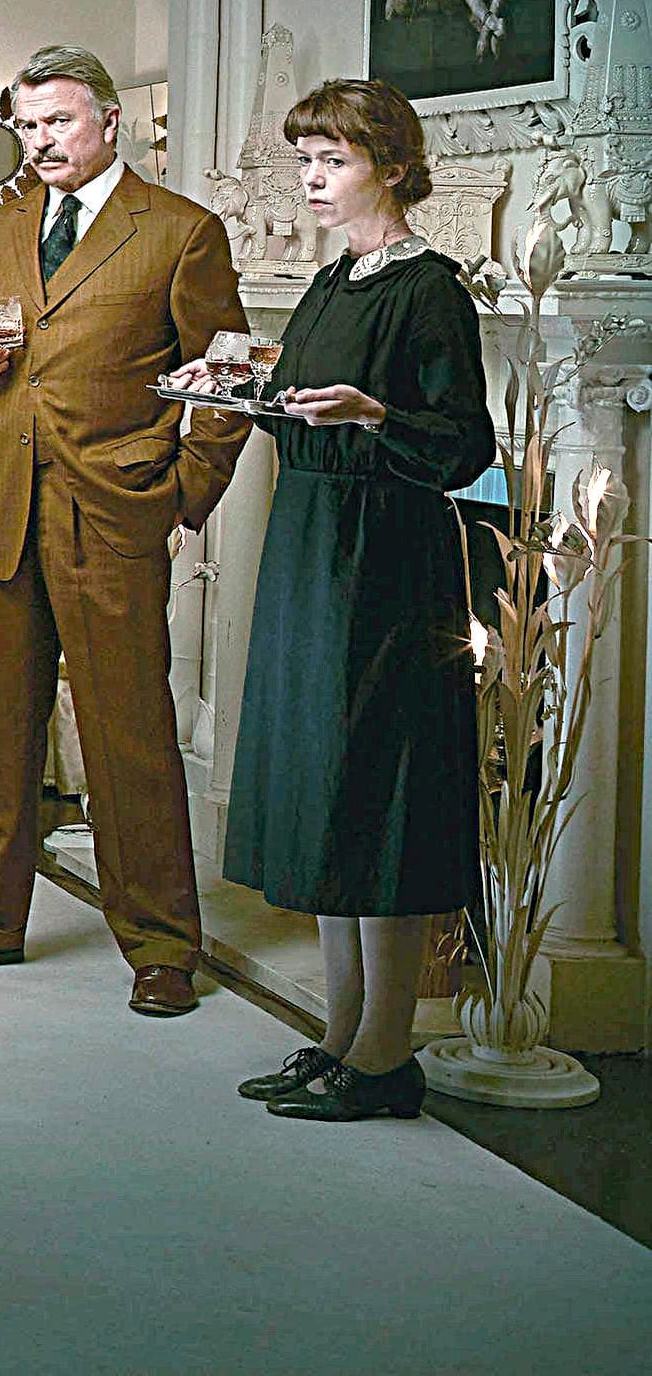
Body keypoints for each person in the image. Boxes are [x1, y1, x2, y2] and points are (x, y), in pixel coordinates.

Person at [0, 44, 248, 1018]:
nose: (40, 140)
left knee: (128, 736)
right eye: (27, 124)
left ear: (107, 121)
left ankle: (161, 945)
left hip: (114, 513)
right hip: (7, 506)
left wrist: (180, 492)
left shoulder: (177, 230)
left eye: (56, 120)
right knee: (3, 730)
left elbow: (227, 373)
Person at [204, 81, 491, 1121]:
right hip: (310, 544)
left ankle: (382, 1056)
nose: (311, 180)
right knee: (324, 789)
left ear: (390, 168)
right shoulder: (329, 281)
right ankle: (335, 1037)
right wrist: (240, 391)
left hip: (387, 561)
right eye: (304, 160)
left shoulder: (429, 289)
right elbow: (301, 409)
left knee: (375, 793)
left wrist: (374, 415)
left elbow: (464, 445)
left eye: (331, 160)